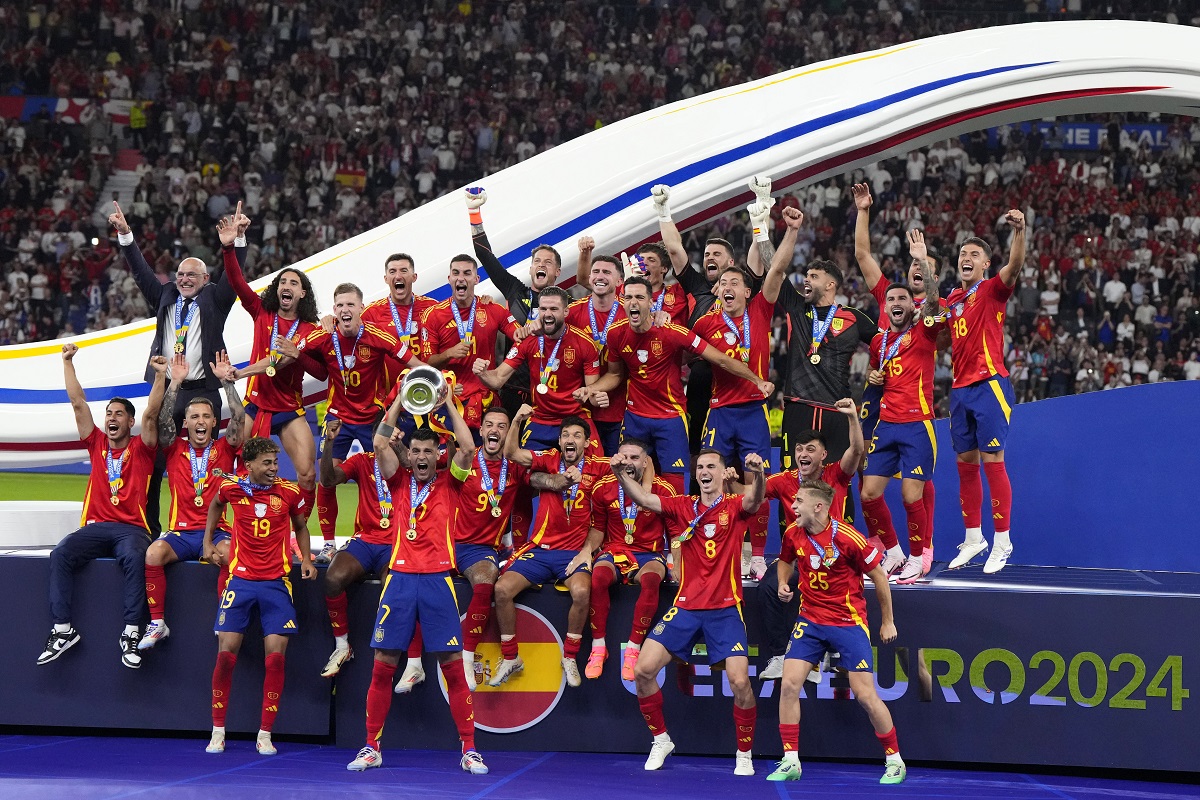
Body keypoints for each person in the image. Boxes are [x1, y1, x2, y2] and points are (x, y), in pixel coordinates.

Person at [345, 399, 487, 776]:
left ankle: (469, 749)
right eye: (417, 451)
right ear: (407, 455)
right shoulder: (397, 479)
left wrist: (449, 404)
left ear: (439, 455)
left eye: (429, 451)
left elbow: (469, 447)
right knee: (383, 666)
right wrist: (399, 400)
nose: (422, 457)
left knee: (453, 669)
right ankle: (371, 746)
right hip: (400, 580)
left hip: (440, 579)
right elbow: (378, 444)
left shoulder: (450, 482)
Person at [614, 448, 765, 776]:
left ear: (722, 472)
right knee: (642, 670)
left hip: (725, 609)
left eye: (711, 466)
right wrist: (621, 473)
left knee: (740, 681)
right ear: (695, 474)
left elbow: (756, 500)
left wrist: (758, 474)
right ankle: (661, 739)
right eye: (700, 467)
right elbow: (643, 498)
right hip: (685, 608)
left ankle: (744, 752)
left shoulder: (735, 508)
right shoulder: (682, 506)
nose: (704, 471)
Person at [269, 283, 428, 560]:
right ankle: (328, 544)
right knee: (326, 479)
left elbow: (415, 363)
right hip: (337, 419)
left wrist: (436, 383)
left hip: (371, 418)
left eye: (350, 305)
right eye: (340, 305)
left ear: (361, 309)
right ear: (334, 310)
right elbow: (292, 353)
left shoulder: (379, 336)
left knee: (393, 475)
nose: (345, 310)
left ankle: (399, 531)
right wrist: (254, 369)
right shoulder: (323, 335)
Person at [109, 201, 238, 536]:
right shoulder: (165, 294)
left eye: (191, 275)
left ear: (206, 279)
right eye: (180, 274)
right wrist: (127, 236)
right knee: (153, 460)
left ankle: (210, 529)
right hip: (166, 389)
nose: (183, 279)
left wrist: (233, 244)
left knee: (207, 462)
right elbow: (140, 272)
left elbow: (234, 278)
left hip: (204, 389)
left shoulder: (215, 299)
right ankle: (147, 527)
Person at [768, 480, 905, 785]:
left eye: (799, 501)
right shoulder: (793, 532)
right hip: (810, 620)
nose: (793, 506)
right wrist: (782, 583)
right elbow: (785, 560)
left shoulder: (848, 538)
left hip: (848, 621)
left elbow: (879, 577)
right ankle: (791, 760)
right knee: (789, 685)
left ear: (818, 506)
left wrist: (887, 621)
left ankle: (895, 760)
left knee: (865, 695)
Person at [38, 346, 166, 668]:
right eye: (109, 413)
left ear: (130, 421)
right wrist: (67, 362)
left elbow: (152, 413)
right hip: (95, 527)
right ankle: (62, 630)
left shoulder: (142, 448)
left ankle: (130, 634)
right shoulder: (96, 443)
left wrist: (162, 375)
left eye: (118, 414)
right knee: (61, 553)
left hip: (132, 530)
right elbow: (77, 402)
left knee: (136, 557)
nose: (111, 418)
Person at [589, 276, 772, 494]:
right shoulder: (615, 334)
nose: (633, 302)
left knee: (674, 490)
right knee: (629, 480)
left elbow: (721, 359)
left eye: (639, 297)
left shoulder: (674, 331)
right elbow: (615, 374)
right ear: (622, 300)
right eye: (628, 297)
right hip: (635, 417)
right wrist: (590, 390)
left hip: (671, 417)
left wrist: (757, 380)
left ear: (651, 302)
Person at [202, 437, 316, 756]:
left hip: (276, 584)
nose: (273, 468)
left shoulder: (290, 492)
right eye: (267, 463)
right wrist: (207, 543)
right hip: (240, 582)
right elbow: (215, 506)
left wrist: (306, 559)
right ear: (249, 465)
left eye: (275, 463)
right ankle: (218, 731)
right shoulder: (232, 488)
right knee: (225, 655)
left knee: (276, 658)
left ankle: (265, 734)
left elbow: (302, 526)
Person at [488, 408, 609, 688]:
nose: (570, 439)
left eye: (577, 435)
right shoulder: (550, 459)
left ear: (586, 443)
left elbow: (644, 461)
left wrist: (586, 553)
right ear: (559, 440)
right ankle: (510, 657)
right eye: (565, 434)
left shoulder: (599, 467)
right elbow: (513, 454)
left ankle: (569, 656)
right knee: (501, 590)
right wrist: (517, 420)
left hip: (573, 552)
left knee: (581, 591)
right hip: (540, 551)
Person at [217, 207, 322, 524]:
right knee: (228, 457)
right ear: (277, 290)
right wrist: (229, 246)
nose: (286, 285)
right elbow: (237, 281)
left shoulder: (309, 330)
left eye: (294, 282)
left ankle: (298, 528)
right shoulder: (262, 312)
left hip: (289, 410)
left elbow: (310, 370)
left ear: (302, 293)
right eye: (282, 281)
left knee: (306, 474)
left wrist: (241, 372)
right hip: (254, 406)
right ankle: (232, 527)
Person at [651, 178, 770, 455]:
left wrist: (760, 216)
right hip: (704, 380)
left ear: (730, 262)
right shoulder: (699, 288)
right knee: (700, 450)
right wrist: (663, 213)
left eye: (716, 254)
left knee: (744, 460)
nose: (708, 258)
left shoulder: (743, 288)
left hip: (745, 382)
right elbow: (675, 250)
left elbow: (757, 256)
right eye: (706, 254)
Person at [940, 210, 1027, 573]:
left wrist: (1020, 231)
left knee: (993, 463)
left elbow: (1016, 264)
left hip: (989, 384)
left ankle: (1003, 541)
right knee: (965, 467)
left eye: (974, 254)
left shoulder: (992, 289)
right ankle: (974, 538)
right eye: (963, 253)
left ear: (987, 264)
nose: (966, 258)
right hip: (959, 390)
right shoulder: (952, 302)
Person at [140, 352, 245, 652]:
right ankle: (158, 623)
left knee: (229, 553)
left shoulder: (225, 448)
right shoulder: (174, 448)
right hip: (181, 534)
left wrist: (227, 383)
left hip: (217, 532)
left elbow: (239, 418)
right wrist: (175, 383)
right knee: (153, 553)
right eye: (194, 417)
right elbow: (161, 421)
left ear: (214, 422)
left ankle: (225, 617)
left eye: (206, 417)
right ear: (185, 423)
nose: (200, 421)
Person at [851, 184, 939, 541]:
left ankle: (924, 545)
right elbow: (862, 255)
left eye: (926, 266)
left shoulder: (933, 309)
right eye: (915, 263)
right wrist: (863, 210)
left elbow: (934, 309)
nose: (918, 268)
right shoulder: (892, 296)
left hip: (912, 399)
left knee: (916, 483)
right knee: (864, 472)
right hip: (877, 398)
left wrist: (925, 260)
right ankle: (882, 543)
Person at [754, 399, 863, 681]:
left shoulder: (836, 474)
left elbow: (857, 450)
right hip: (798, 557)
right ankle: (780, 655)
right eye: (799, 449)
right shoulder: (784, 480)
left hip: (833, 559)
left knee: (831, 590)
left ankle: (825, 654)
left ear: (823, 455)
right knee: (768, 588)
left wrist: (852, 417)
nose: (803, 454)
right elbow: (751, 498)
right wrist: (735, 480)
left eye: (810, 449)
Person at [760, 206, 878, 465]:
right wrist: (788, 230)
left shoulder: (853, 317)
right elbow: (775, 269)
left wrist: (876, 370)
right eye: (806, 275)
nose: (806, 280)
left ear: (830, 284)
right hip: (798, 407)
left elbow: (886, 343)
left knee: (836, 485)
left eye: (813, 276)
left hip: (837, 412)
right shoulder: (796, 307)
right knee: (792, 482)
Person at [690, 265, 778, 577]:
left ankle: (757, 556)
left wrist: (767, 231)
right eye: (722, 282)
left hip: (754, 412)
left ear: (746, 292)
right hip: (720, 412)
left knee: (758, 484)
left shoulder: (759, 313)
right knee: (710, 480)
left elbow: (776, 269)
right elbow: (678, 345)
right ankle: (710, 548)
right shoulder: (704, 323)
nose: (726, 286)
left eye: (734, 282)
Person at [860, 284, 946, 584]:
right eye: (891, 299)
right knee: (869, 495)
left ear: (912, 306)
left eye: (902, 299)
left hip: (917, 424)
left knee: (911, 496)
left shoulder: (924, 332)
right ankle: (894, 552)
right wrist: (872, 376)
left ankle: (917, 558)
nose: (896, 303)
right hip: (885, 425)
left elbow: (935, 303)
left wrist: (923, 260)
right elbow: (875, 377)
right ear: (885, 309)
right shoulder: (878, 344)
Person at [584, 438, 678, 681]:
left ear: (646, 463)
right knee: (599, 576)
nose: (628, 462)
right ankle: (598, 648)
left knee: (651, 579)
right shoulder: (602, 487)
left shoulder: (663, 490)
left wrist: (677, 563)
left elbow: (675, 534)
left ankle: (634, 650)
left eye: (634, 458)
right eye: (623, 457)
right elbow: (598, 530)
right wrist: (586, 552)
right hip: (615, 550)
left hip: (649, 553)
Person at [466, 186, 559, 417]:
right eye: (537, 261)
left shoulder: (566, 302)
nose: (541, 265)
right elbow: (486, 257)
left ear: (557, 271)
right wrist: (474, 214)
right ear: (530, 268)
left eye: (548, 263)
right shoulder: (515, 290)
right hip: (511, 387)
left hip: (552, 390)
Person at [474, 286, 602, 454]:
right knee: (523, 472)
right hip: (540, 418)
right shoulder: (528, 341)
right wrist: (483, 373)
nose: (547, 313)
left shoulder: (584, 343)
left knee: (596, 469)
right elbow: (498, 378)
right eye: (543, 309)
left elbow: (591, 392)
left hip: (575, 417)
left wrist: (591, 394)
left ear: (565, 312)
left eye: (554, 309)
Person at [422, 254, 520, 431]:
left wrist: (501, 371)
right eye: (456, 273)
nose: (461, 278)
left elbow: (522, 340)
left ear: (476, 279)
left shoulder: (493, 309)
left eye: (467, 273)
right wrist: (448, 354)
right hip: (449, 399)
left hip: (486, 401)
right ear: (449, 279)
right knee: (450, 456)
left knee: (486, 456)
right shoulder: (433, 315)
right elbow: (426, 364)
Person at [566, 249, 627, 455]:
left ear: (620, 282)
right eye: (596, 272)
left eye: (607, 272)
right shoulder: (572, 313)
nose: (600, 276)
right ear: (589, 278)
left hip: (618, 410)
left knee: (615, 469)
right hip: (578, 409)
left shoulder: (630, 315)